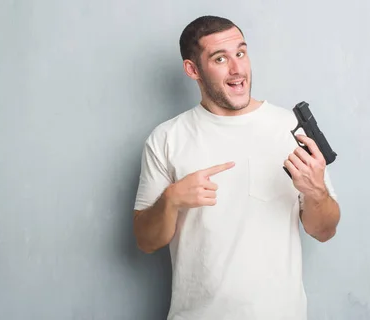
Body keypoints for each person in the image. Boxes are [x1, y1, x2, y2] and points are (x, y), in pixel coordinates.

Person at [132, 15, 341, 320]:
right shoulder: (166, 139)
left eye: (241, 53)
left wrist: (317, 191)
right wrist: (171, 199)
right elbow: (145, 241)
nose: (237, 69)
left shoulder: (291, 130)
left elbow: (324, 231)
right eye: (220, 59)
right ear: (193, 70)